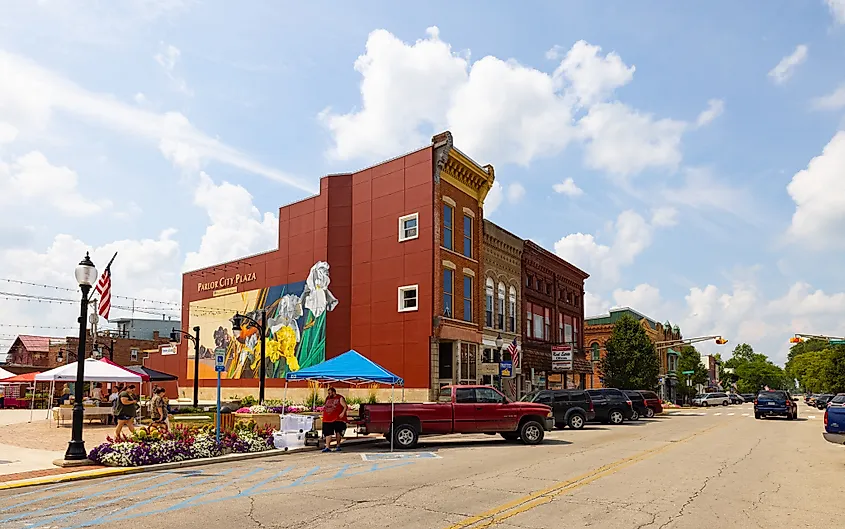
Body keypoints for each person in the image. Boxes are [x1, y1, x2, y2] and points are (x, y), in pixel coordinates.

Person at [321, 387, 348, 453]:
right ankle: (327, 447)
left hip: (337, 418)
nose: (329, 394)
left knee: (338, 432)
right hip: (328, 419)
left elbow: (345, 406)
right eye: (328, 393)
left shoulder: (340, 398)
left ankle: (338, 445)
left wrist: (342, 413)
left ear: (334, 392)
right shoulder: (328, 398)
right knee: (328, 433)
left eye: (330, 393)